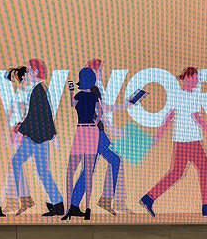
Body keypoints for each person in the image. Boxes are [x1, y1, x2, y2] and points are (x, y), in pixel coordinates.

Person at [140, 66, 207, 217]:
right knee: (202, 169)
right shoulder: (187, 96)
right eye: (195, 79)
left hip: (184, 141)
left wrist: (159, 136)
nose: (197, 81)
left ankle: (149, 198)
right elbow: (197, 119)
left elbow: (169, 118)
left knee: (178, 173)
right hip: (189, 142)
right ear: (187, 78)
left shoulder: (181, 95)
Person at [68, 59, 126, 216]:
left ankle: (76, 204)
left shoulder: (89, 90)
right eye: (100, 70)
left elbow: (99, 109)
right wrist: (113, 129)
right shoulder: (94, 90)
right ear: (94, 71)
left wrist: (126, 105)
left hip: (95, 133)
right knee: (112, 161)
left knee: (91, 169)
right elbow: (102, 111)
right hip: (96, 134)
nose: (102, 72)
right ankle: (102, 200)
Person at [11, 58, 65, 217]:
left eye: (27, 70)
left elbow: (39, 117)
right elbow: (43, 115)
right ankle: (57, 204)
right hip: (38, 138)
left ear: (34, 72)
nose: (25, 74)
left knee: (28, 167)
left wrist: (20, 129)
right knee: (41, 171)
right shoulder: (38, 89)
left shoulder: (38, 90)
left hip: (36, 139)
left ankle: (34, 200)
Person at [0, 65, 35, 218]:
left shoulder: (21, 93)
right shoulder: (23, 93)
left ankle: (14, 201)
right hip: (21, 134)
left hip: (20, 134)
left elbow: (12, 114)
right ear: (24, 77)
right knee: (15, 168)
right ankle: (0, 203)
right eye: (29, 74)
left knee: (17, 168)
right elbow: (19, 116)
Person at [63, 66, 104, 221]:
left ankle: (69, 209)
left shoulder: (79, 95)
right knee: (87, 173)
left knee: (70, 172)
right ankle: (87, 208)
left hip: (81, 131)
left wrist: (70, 91)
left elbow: (72, 105)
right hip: (91, 132)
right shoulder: (94, 96)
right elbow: (100, 113)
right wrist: (96, 120)